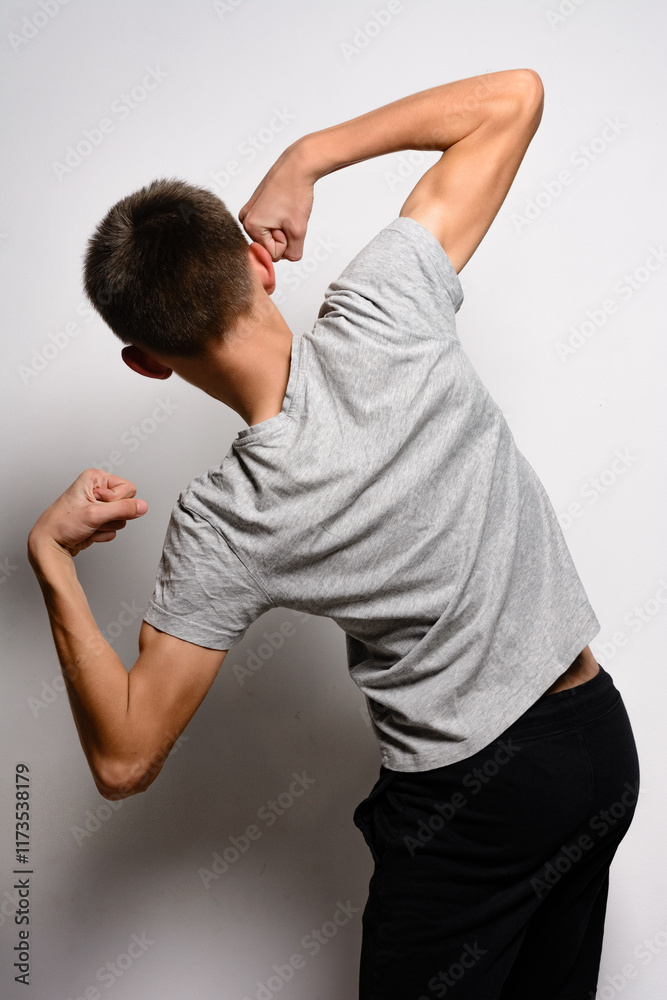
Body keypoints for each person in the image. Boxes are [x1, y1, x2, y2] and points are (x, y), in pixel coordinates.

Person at [27, 68, 639, 998]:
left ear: (147, 363)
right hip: (594, 743)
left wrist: (52, 561)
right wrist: (305, 158)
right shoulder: (387, 305)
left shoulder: (230, 522)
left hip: (472, 806)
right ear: (260, 265)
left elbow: (123, 759)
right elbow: (513, 96)